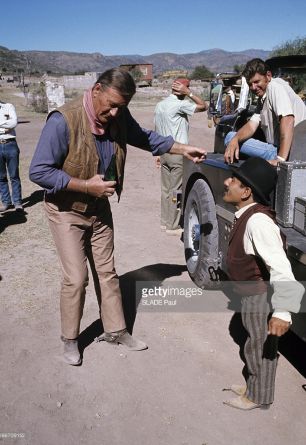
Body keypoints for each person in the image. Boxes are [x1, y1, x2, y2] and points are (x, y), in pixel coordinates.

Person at [29, 68, 206, 366]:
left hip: (98, 209)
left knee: (108, 272)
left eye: (120, 108)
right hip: (66, 211)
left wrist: (182, 147)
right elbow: (39, 171)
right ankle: (70, 340)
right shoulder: (63, 120)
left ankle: (116, 330)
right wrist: (86, 185)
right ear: (96, 89)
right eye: (110, 104)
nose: (113, 113)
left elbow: (146, 138)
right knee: (76, 278)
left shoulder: (118, 115)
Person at [222, 157, 304, 410]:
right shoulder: (249, 215)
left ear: (246, 192)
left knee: (260, 347)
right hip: (250, 294)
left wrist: (281, 312)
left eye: (233, 180)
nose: (226, 182)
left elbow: (281, 268)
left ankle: (259, 397)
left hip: (258, 296)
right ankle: (254, 385)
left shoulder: (258, 222)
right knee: (253, 342)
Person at [224, 58, 306, 166]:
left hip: (289, 151)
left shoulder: (274, 88)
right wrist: (236, 139)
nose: (254, 87)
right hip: (293, 149)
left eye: (257, 82)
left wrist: (280, 160)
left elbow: (288, 119)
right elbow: (252, 125)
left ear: (268, 76)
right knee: (234, 138)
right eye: (250, 84)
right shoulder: (263, 97)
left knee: (229, 137)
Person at [154, 78, 207, 235]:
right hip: (178, 152)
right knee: (176, 190)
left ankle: (165, 222)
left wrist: (157, 153)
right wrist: (189, 93)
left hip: (163, 151)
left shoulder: (160, 105)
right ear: (183, 88)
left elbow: (156, 129)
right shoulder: (180, 104)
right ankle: (173, 225)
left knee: (166, 189)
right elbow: (204, 106)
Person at [0, 100, 23, 212]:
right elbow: (9, 125)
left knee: (14, 175)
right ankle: (6, 202)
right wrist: (5, 126)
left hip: (10, 144)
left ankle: (17, 202)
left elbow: (14, 123)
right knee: (1, 177)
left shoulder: (8, 106)